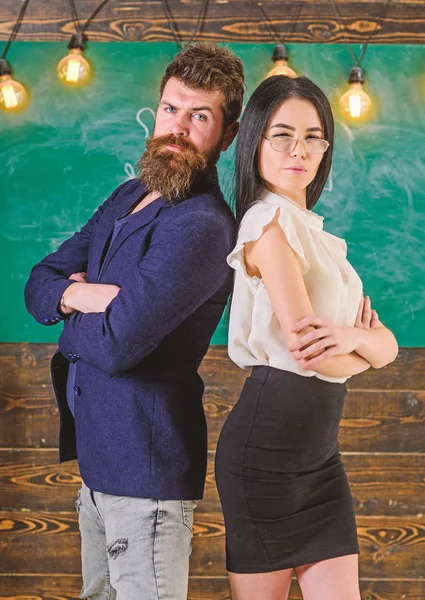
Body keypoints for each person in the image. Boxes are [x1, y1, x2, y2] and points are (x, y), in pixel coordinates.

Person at [24, 42, 245, 600]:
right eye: (171, 109)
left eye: (200, 116)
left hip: (145, 471)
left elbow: (119, 344)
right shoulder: (130, 193)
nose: (178, 128)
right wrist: (83, 296)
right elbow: (41, 279)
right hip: (101, 461)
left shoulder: (202, 225)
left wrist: (73, 304)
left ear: (228, 133)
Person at [214, 75, 398, 600]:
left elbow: (379, 345)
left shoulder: (309, 228)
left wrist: (348, 338)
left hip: (320, 460)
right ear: (255, 141)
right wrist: (362, 346)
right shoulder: (266, 225)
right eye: (283, 135)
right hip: (263, 455)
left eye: (314, 136)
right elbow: (314, 355)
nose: (301, 150)